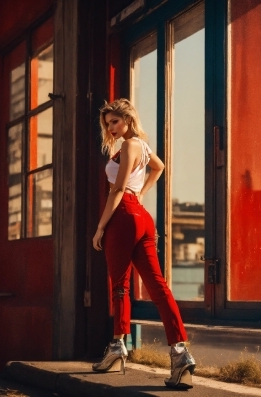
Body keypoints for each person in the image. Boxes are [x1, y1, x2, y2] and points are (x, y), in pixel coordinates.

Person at [92, 98, 196, 389]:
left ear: (127, 119)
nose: (111, 128)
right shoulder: (143, 146)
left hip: (123, 214)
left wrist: (100, 227)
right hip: (142, 217)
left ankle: (116, 346)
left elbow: (118, 188)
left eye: (115, 121)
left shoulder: (127, 146)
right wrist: (142, 194)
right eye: (107, 123)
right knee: (158, 285)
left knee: (120, 285)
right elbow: (159, 167)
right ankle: (180, 352)